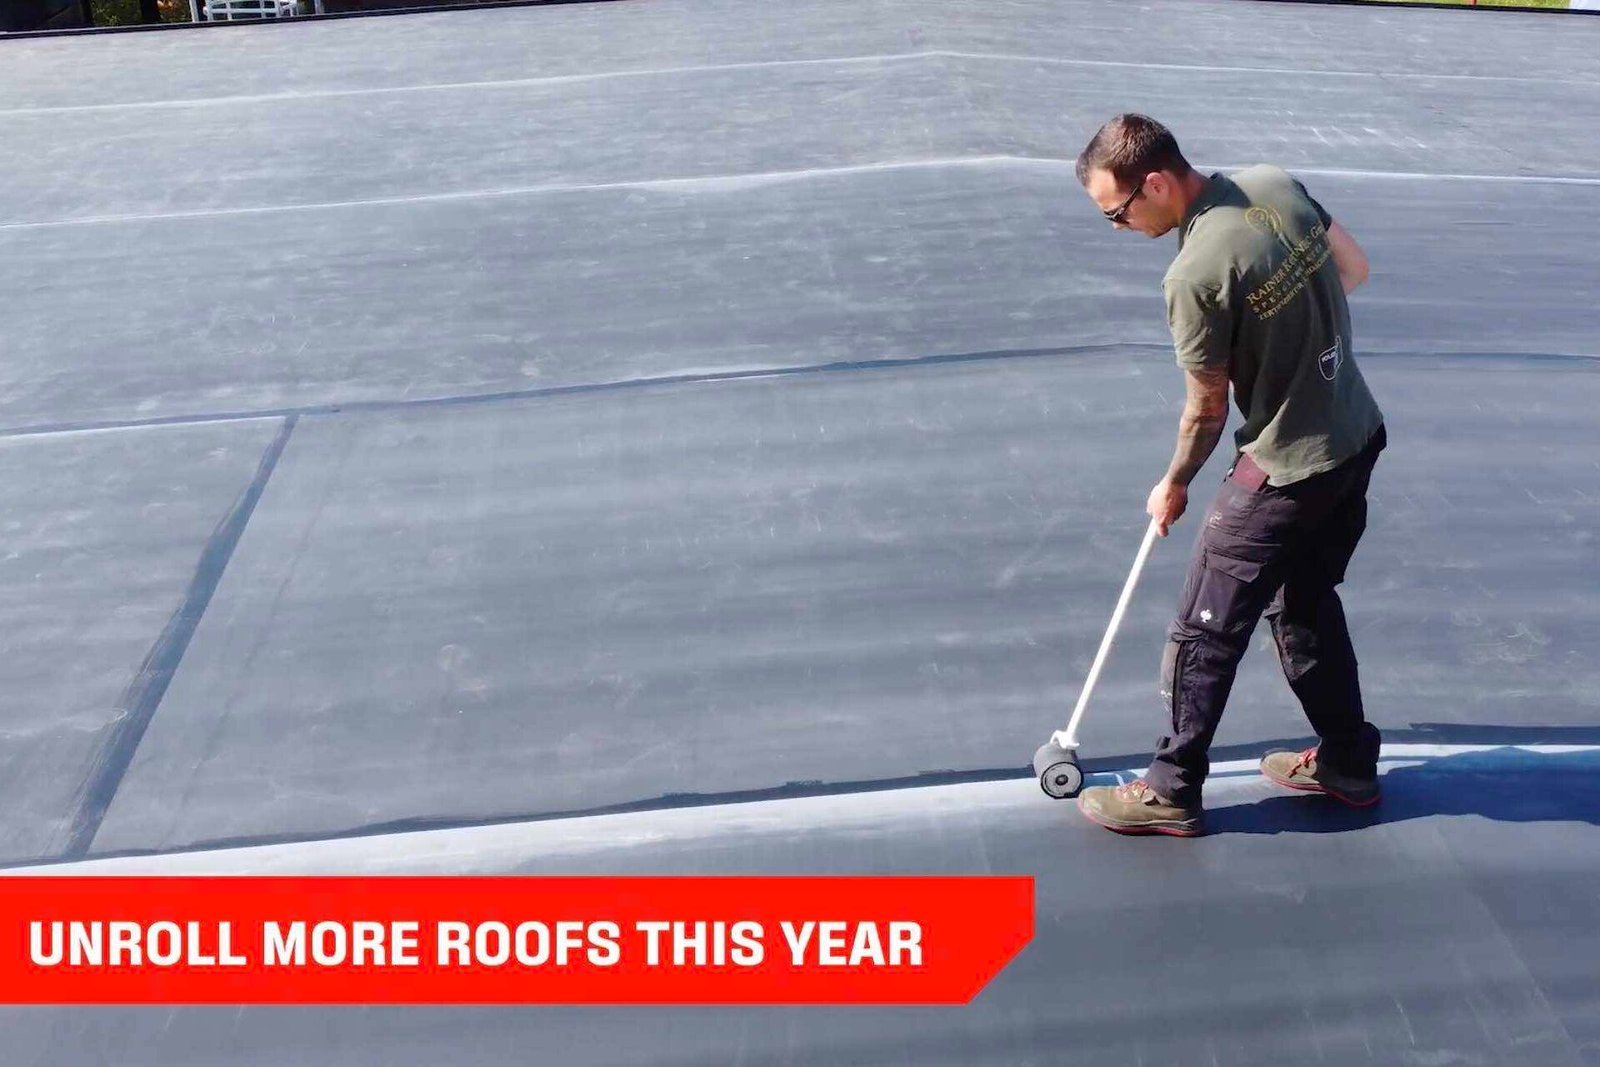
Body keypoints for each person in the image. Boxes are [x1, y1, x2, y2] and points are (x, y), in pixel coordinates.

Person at [1072, 114, 1388, 837]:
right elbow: (1354, 270)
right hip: (1356, 436)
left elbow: (1205, 409)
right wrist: (1301, 341)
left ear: (1154, 182)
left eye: (1119, 213)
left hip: (1286, 467)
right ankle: (1347, 759)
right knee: (1304, 603)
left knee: (1203, 630)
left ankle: (1171, 787)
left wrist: (1175, 479)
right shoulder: (1273, 182)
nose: (1118, 227)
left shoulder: (1192, 275)